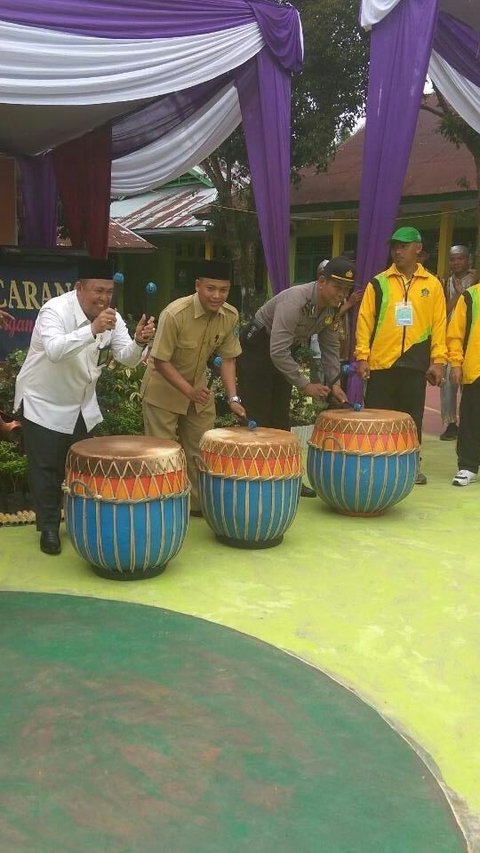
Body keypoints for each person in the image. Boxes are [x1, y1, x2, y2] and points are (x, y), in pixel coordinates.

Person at [14, 258, 155, 555]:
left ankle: (78, 523)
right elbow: (53, 351)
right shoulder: (54, 310)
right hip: (42, 400)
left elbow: (127, 356)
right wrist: (91, 329)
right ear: (79, 288)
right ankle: (49, 529)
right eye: (98, 291)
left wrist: (140, 342)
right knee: (46, 469)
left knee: (79, 466)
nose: (104, 298)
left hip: (79, 402)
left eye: (109, 292)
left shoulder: (110, 317)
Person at [237, 257, 355, 497]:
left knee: (280, 417)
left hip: (281, 350)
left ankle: (286, 478)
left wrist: (335, 384)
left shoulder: (331, 307)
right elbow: (276, 350)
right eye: (337, 287)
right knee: (257, 416)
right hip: (257, 347)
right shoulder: (295, 300)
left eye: (346, 289)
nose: (342, 294)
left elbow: (330, 348)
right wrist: (305, 385)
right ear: (322, 282)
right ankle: (253, 481)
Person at [141, 260, 246, 516]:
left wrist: (233, 397)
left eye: (223, 290)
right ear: (198, 286)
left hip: (198, 392)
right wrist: (187, 391)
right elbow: (160, 360)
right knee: (162, 454)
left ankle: (196, 508)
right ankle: (162, 509)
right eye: (211, 288)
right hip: (162, 389)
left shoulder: (230, 315)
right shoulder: (174, 314)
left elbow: (229, 358)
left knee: (201, 450)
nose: (217, 295)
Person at [355, 226, 447, 485]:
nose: (397, 251)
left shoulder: (433, 285)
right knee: (378, 418)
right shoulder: (379, 283)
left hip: (415, 364)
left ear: (418, 248)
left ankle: (410, 467)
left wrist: (438, 361)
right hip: (382, 363)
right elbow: (364, 323)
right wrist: (362, 356)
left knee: (410, 418)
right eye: (394, 246)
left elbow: (440, 325)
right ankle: (374, 464)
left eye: (403, 246)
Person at [439, 245, 477, 441]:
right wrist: (460, 295)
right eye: (452, 259)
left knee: (470, 383)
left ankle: (469, 423)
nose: (456, 263)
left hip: (471, 338)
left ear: (468, 259)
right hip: (451, 336)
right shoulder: (445, 282)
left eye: (460, 258)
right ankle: (451, 423)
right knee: (448, 382)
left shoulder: (475, 279)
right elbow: (443, 310)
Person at [447, 278, 480, 486]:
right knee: (470, 420)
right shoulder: (471, 296)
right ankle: (467, 466)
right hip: (476, 369)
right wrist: (456, 364)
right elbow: (455, 334)